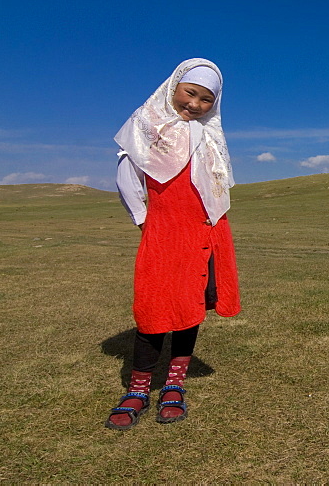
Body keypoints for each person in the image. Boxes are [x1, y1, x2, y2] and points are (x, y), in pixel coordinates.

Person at [105, 58, 241, 430]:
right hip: (165, 229)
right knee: (153, 306)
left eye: (206, 99)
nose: (195, 104)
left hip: (207, 230)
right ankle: (138, 388)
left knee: (190, 304)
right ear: (174, 87)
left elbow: (215, 188)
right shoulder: (147, 124)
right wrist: (143, 218)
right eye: (190, 92)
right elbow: (126, 170)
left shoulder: (211, 135)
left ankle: (174, 385)